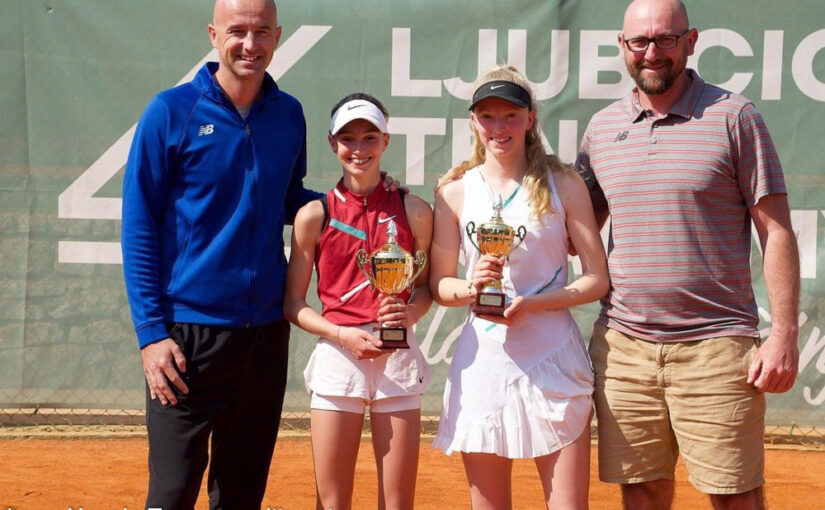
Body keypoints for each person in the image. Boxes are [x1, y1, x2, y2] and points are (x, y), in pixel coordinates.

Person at [121, 1, 401, 508]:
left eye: (262, 32)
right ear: (213, 34)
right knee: (171, 490)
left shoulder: (288, 114)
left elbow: (289, 197)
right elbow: (138, 226)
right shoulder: (169, 112)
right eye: (238, 32)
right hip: (187, 339)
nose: (250, 44)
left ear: (277, 35)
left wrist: (365, 198)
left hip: (264, 335)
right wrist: (151, 335)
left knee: (242, 492)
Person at [575, 1, 800, 509]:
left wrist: (783, 335)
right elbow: (577, 231)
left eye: (665, 40)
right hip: (624, 350)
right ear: (623, 47)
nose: (651, 53)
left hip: (717, 349)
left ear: (691, 41)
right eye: (640, 42)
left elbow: (778, 232)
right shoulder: (602, 129)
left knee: (734, 496)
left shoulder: (734, 117)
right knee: (644, 492)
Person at [429, 65, 609, 510]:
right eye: (487, 115)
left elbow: (596, 278)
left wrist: (535, 304)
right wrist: (471, 289)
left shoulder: (563, 183)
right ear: (474, 122)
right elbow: (440, 284)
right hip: (484, 364)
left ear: (531, 118)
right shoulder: (454, 191)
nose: (499, 126)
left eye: (510, 114)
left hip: (554, 358)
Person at [283, 93, 433, 510]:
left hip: (397, 357)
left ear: (385, 140)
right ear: (333, 144)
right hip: (338, 356)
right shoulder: (314, 215)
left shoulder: (415, 209)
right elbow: (293, 304)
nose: (359, 149)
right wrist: (342, 335)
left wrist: (407, 314)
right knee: (331, 502)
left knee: (398, 503)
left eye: (369, 137)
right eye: (348, 139)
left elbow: (425, 290)